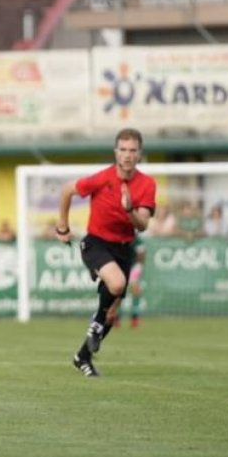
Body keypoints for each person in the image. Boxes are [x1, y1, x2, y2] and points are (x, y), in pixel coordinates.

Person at [56, 127, 155, 378]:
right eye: (123, 150)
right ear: (116, 152)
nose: (127, 155)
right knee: (118, 283)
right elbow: (68, 190)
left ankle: (83, 357)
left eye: (132, 150)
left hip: (124, 248)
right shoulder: (102, 178)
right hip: (95, 243)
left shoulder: (146, 184)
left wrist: (129, 209)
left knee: (111, 314)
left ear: (139, 154)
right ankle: (95, 325)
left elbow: (142, 224)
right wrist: (63, 227)